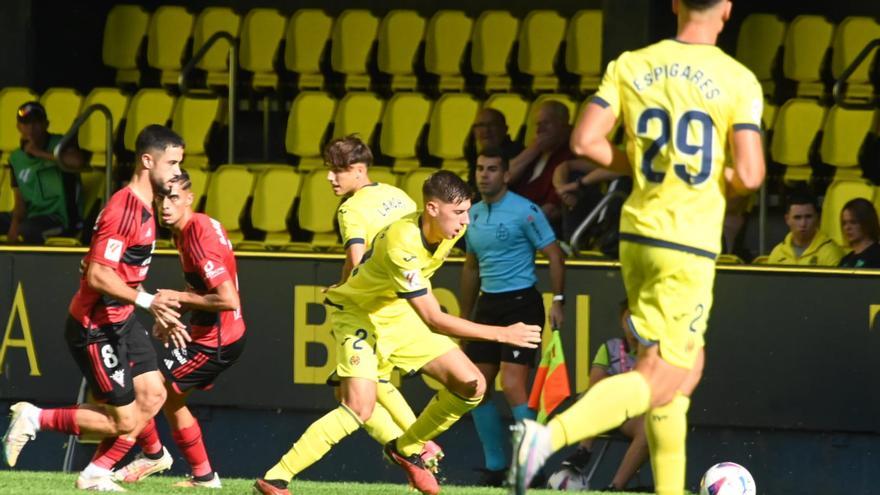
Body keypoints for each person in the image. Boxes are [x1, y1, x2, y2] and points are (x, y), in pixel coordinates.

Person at [508, 1, 766, 495]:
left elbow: (585, 140)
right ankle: (546, 437)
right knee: (666, 374)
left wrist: (645, 166)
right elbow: (750, 175)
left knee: (678, 378)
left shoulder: (632, 63)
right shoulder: (737, 79)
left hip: (636, 234)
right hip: (686, 242)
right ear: (728, 9)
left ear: (674, 5)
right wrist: (705, 176)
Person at [254, 171, 542, 495]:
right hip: (359, 314)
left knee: (473, 385)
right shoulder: (401, 242)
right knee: (357, 407)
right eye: (458, 213)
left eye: (467, 212)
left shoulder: (449, 232)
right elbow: (433, 318)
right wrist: (503, 333)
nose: (466, 221)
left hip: (399, 315)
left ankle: (407, 447)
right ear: (432, 209)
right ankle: (276, 478)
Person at [1, 125, 187, 491]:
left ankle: (99, 471)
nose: (178, 172)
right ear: (147, 161)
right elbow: (100, 276)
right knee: (123, 421)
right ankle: (35, 418)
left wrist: (147, 304)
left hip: (121, 317)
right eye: (172, 163)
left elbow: (102, 267)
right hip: (95, 326)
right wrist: (149, 302)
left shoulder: (143, 209)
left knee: (154, 394)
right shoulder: (124, 209)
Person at [111, 171, 247, 489]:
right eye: (161, 198)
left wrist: (176, 298)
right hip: (207, 331)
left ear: (189, 197)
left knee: (150, 392)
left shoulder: (198, 233)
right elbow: (198, 284)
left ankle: (131, 460)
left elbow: (228, 299)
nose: (166, 205)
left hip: (219, 338)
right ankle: (203, 476)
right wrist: (174, 315)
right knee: (169, 397)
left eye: (174, 197)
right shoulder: (187, 229)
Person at [325, 135, 444, 469]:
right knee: (373, 384)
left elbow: (358, 261)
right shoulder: (397, 194)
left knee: (354, 390)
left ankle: (416, 446)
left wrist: (343, 291)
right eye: (329, 170)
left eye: (338, 171)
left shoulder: (350, 209)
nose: (330, 178)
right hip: (407, 298)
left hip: (372, 308)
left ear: (359, 169)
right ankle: (419, 445)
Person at [459, 150, 566, 486]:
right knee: (475, 386)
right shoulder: (471, 214)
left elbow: (554, 255)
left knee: (513, 383)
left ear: (506, 175)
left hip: (522, 304)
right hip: (488, 306)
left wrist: (558, 300)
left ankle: (530, 466)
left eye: (492, 169)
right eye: (480, 169)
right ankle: (496, 466)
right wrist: (465, 318)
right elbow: (471, 267)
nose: (484, 175)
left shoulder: (525, 211)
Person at [559, 301, 649, 492]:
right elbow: (596, 387)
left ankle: (614, 487)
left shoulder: (656, 351)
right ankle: (584, 450)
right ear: (621, 321)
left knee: (651, 428)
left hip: (635, 416)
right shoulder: (610, 348)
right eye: (629, 319)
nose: (634, 326)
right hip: (607, 411)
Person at [0, 101, 86, 244]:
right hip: (31, 215)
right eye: (26, 124)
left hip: (60, 218)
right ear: (18, 127)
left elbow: (77, 161)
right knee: (19, 227)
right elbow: (20, 202)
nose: (31, 128)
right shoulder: (16, 158)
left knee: (26, 230)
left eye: (36, 123)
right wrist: (13, 226)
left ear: (46, 124)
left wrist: (39, 153)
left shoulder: (61, 144)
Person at [508, 101, 575, 226]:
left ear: (564, 126)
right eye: (538, 124)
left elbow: (552, 210)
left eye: (546, 123)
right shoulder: (534, 153)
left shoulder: (570, 157)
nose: (539, 130)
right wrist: (534, 149)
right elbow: (505, 177)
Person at [767, 191, 843, 266]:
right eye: (797, 218)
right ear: (787, 219)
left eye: (808, 217)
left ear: (817, 218)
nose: (803, 223)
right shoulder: (778, 253)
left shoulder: (831, 252)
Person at [467, 109, 525, 189]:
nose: (486, 130)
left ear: (505, 129)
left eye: (492, 125)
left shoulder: (517, 152)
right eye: (480, 125)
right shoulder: (477, 154)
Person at [838, 197, 880, 268]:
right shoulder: (845, 261)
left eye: (853, 222)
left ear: (867, 222)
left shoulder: (877, 257)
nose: (847, 228)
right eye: (844, 223)